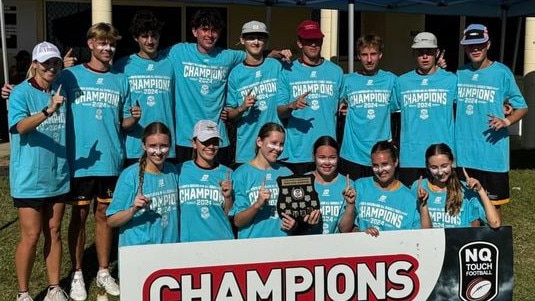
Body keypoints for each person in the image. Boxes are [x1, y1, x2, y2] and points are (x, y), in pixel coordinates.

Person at [58, 23, 138, 300]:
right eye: (102, 43)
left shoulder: (121, 79)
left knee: (105, 216)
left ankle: (104, 270)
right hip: (80, 161)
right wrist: (11, 89)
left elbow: (123, 122)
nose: (107, 48)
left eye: (112, 44)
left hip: (112, 159)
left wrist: (134, 119)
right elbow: (42, 90)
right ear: (90, 43)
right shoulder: (70, 75)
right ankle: (78, 272)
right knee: (78, 217)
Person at [9, 42, 69, 301]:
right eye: (46, 63)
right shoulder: (20, 93)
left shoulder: (63, 86)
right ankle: (23, 294)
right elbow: (20, 127)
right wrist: (48, 110)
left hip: (58, 174)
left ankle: (54, 288)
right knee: (31, 236)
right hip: (29, 178)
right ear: (34, 64)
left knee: (54, 232)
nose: (51, 68)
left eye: (55, 63)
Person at [455, 24, 528, 213]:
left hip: (493, 156)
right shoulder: (460, 74)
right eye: (470, 45)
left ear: (488, 44)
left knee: (493, 211)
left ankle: (494, 244)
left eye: (480, 44)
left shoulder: (502, 73)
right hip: (465, 154)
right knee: (467, 209)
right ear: (464, 48)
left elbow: (522, 106)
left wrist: (506, 121)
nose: (475, 48)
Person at [277, 20, 344, 175]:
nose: (313, 45)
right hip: (297, 152)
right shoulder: (288, 71)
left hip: (327, 151)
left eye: (317, 41)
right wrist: (291, 105)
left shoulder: (336, 72)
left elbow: (342, 104)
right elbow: (280, 111)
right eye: (308, 41)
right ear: (300, 43)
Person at [394, 32, 457, 187]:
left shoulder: (451, 80)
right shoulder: (402, 82)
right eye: (420, 52)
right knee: (411, 203)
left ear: (436, 53)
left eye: (429, 52)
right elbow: (388, 110)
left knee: (444, 204)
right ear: (414, 53)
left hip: (441, 156)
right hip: (411, 156)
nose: (425, 57)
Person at [113, 10, 176, 165]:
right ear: (136, 38)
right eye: (144, 36)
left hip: (165, 145)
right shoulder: (123, 65)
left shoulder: (170, 63)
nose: (150, 41)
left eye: (154, 36)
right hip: (134, 146)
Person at [107, 122, 179, 246]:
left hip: (170, 249)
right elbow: (112, 221)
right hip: (139, 250)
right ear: (144, 146)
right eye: (152, 146)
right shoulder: (130, 175)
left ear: (170, 145)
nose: (158, 151)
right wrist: (133, 210)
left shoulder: (172, 171)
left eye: (163, 146)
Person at [338, 140, 432, 236]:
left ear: (395, 162)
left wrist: (423, 205)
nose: (380, 170)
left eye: (385, 164)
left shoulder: (409, 198)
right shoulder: (360, 186)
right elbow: (343, 228)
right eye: (375, 165)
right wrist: (350, 204)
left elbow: (425, 236)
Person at [225, 20, 286, 166]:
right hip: (247, 147)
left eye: (260, 38)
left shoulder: (276, 66)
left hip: (275, 147)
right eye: (251, 37)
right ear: (242, 40)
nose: (256, 42)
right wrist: (242, 107)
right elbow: (230, 115)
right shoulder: (235, 74)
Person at [339, 34, 398, 180]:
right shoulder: (347, 81)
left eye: (373, 54)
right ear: (358, 56)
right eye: (364, 55)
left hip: (381, 154)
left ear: (380, 55)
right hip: (352, 154)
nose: (369, 59)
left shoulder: (391, 80)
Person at [230, 122, 299, 238]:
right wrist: (257, 205)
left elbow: (295, 214)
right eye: (273, 143)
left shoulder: (288, 173)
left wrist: (295, 224)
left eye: (281, 144)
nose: (278, 148)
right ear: (259, 142)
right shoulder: (241, 174)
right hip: (253, 245)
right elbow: (237, 221)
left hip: (283, 244)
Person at [411, 143, 501, 228]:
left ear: (452, 162)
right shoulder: (419, 187)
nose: (440, 172)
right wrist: (423, 203)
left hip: (459, 242)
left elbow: (495, 223)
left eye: (444, 166)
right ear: (427, 166)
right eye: (434, 167)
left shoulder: (466, 189)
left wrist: (480, 190)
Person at [177, 120, 234, 241]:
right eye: (205, 142)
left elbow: (230, 216)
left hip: (220, 241)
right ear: (194, 143)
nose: (211, 146)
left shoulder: (228, 173)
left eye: (215, 142)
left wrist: (228, 197)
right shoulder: (180, 171)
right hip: (188, 243)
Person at [302, 136, 354, 235]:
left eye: (332, 158)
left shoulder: (348, 185)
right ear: (314, 157)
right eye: (322, 157)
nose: (327, 162)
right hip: (307, 244)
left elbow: (344, 229)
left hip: (336, 246)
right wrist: (307, 224)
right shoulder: (303, 181)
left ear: (338, 157)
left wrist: (350, 204)